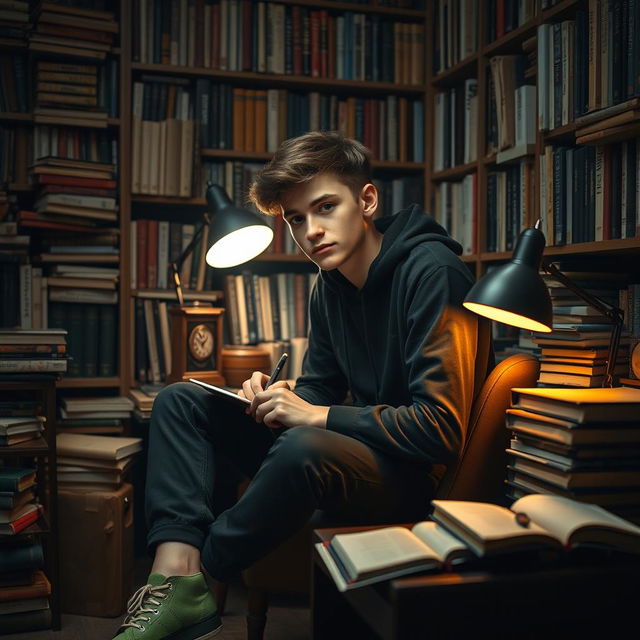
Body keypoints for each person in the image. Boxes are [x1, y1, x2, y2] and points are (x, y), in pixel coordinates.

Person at [113, 131, 492, 640]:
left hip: (411, 478)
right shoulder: (330, 286)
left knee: (303, 444)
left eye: (325, 207)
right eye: (295, 218)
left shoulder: (432, 273)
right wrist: (278, 396)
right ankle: (173, 571)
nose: (311, 231)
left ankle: (202, 575)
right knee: (183, 400)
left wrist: (314, 415)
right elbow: (319, 388)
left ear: (367, 200)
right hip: (349, 453)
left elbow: (439, 429)